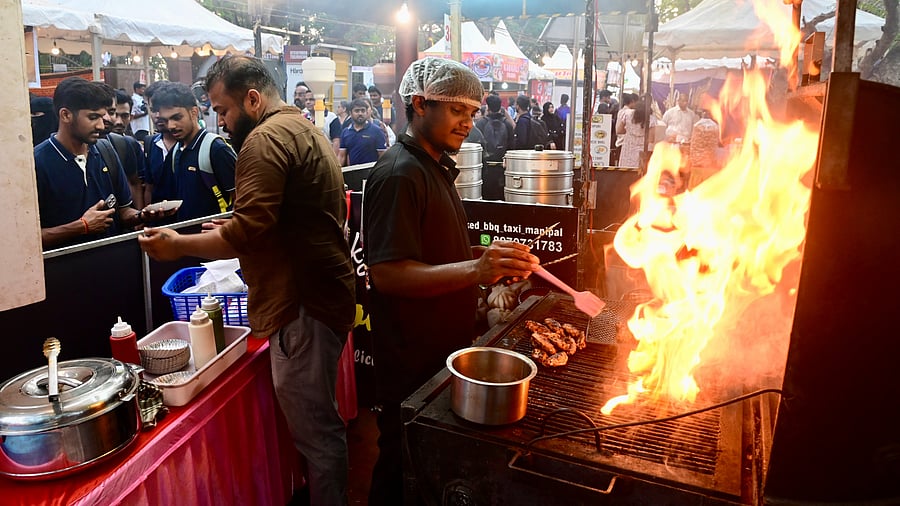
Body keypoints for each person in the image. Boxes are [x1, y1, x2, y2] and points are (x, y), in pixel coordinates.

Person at [139, 55, 355, 506]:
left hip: (301, 302)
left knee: (317, 433)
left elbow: (248, 231)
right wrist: (224, 231)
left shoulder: (264, 139)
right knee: (319, 426)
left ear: (253, 99)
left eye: (223, 110)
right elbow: (274, 221)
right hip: (321, 293)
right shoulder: (302, 128)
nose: (220, 121)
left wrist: (178, 244)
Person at [363, 56, 539, 505]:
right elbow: (388, 273)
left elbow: (431, 254)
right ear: (420, 104)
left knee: (429, 463)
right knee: (402, 460)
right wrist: (476, 270)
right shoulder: (400, 173)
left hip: (441, 347)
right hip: (410, 355)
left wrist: (486, 260)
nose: (468, 122)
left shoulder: (433, 166)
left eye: (473, 112)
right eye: (457, 110)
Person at [34, 77, 167, 249]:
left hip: (113, 264)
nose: (100, 125)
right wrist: (81, 227)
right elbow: (26, 238)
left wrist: (143, 215)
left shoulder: (106, 151)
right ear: (65, 115)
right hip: (64, 271)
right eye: (93, 117)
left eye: (102, 116)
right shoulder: (37, 164)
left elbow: (122, 212)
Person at [150, 82, 237, 221]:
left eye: (177, 118)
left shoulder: (216, 149)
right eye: (165, 120)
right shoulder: (175, 152)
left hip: (216, 238)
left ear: (194, 112)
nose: (171, 126)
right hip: (186, 237)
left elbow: (241, 200)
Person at [97, 86, 147, 210]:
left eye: (124, 116)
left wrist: (138, 217)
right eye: (113, 113)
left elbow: (135, 183)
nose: (118, 121)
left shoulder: (126, 144)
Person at [339, 98, 386, 166]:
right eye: (357, 111)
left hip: (371, 172)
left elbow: (382, 157)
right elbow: (342, 156)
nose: (360, 113)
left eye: (363, 111)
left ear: (367, 112)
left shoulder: (377, 131)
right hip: (353, 173)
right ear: (350, 113)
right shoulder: (346, 132)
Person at [617, 99, 657, 168]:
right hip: (642, 149)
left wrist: (628, 132)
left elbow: (619, 130)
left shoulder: (627, 114)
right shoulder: (651, 119)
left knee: (625, 170)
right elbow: (651, 139)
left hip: (628, 147)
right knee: (638, 172)